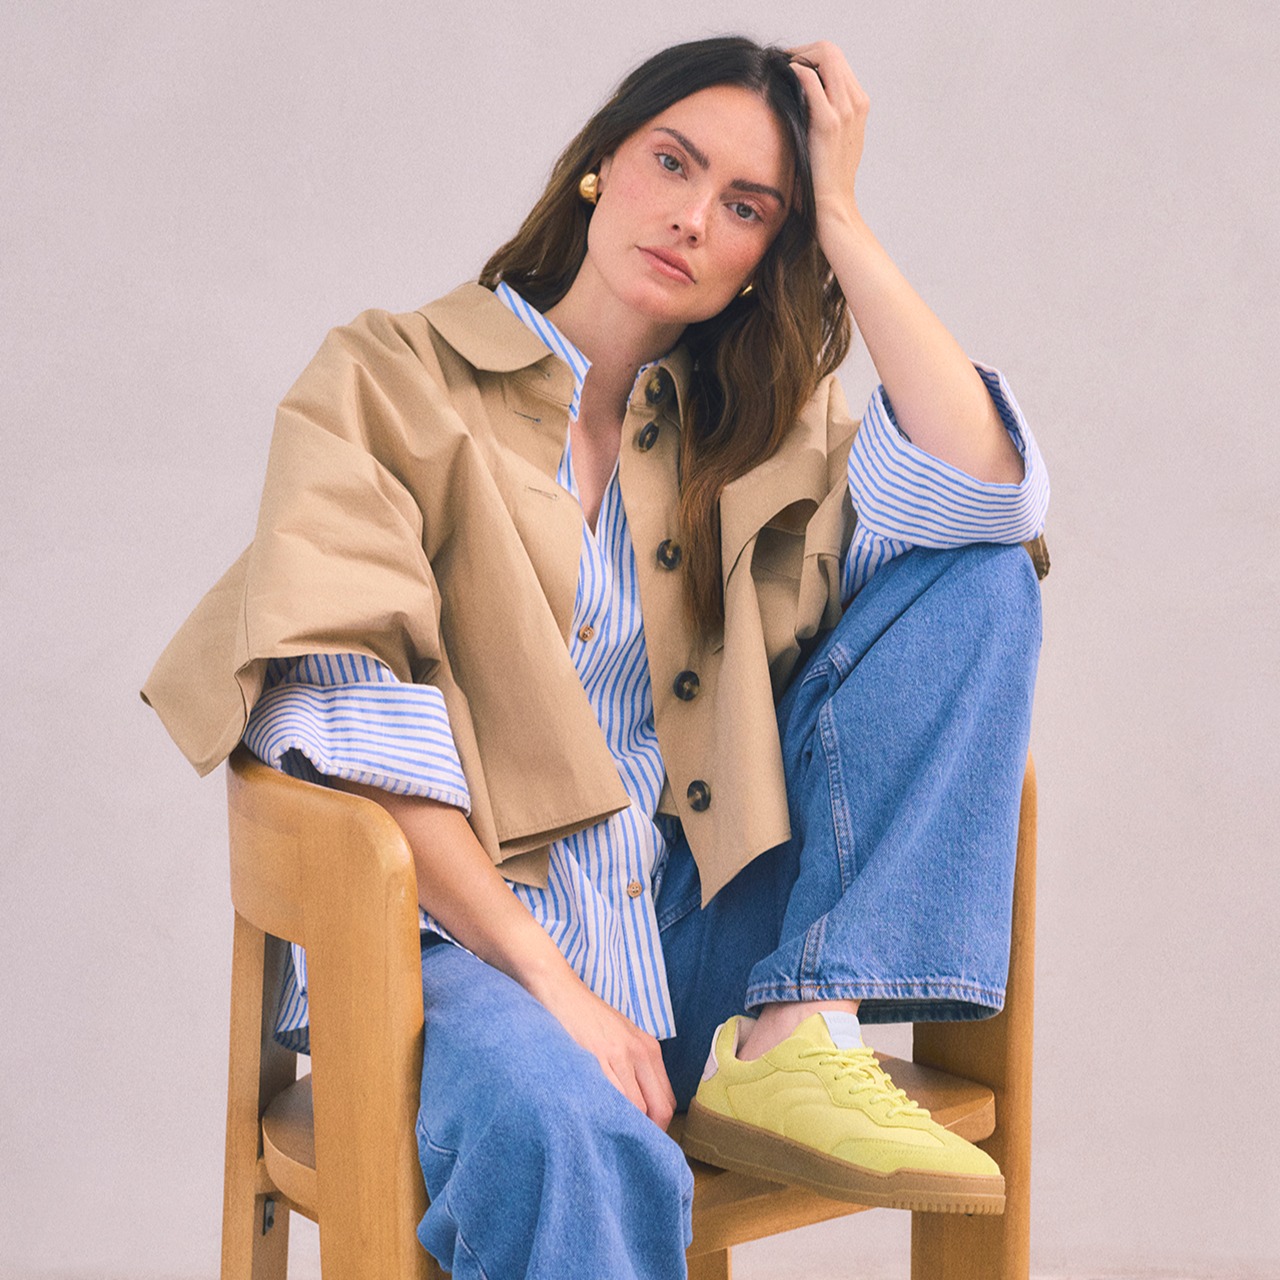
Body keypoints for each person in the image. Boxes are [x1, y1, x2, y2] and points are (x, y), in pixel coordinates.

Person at [144, 34, 1048, 1279]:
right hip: (452, 956)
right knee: (568, 1131)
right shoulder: (390, 379)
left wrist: (840, 218)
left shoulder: (757, 437)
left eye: (746, 209)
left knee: (982, 579)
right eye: (671, 163)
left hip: (699, 951)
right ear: (600, 165)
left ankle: (804, 1022)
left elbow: (984, 496)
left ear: (761, 262)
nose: (688, 217)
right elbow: (356, 739)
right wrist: (558, 992)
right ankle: (667, 1055)